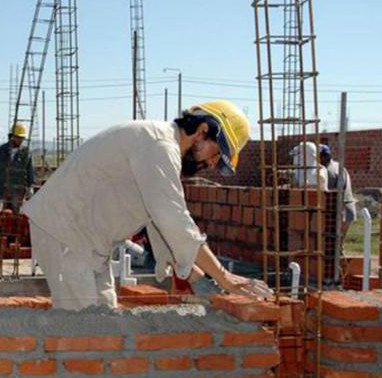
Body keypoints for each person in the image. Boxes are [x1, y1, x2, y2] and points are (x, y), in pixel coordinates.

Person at [22, 100, 273, 310]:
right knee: (83, 331)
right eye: (216, 154)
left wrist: (191, 273)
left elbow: (158, 219)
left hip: (86, 242)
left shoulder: (162, 149)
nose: (211, 165)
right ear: (203, 130)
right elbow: (173, 218)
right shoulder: (159, 145)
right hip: (66, 231)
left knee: (103, 318)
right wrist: (225, 278)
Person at [0, 123, 35, 212]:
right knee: (0, 217)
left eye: (22, 138)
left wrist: (30, 187)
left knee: (17, 219)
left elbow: (30, 172)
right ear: (12, 136)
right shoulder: (0, 151)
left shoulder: (26, 153)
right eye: (18, 138)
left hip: (18, 193)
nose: (20, 140)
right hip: (2, 191)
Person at [319, 144, 357, 233]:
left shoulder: (329, 171)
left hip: (342, 211)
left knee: (334, 241)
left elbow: (331, 194)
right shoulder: (338, 166)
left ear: (324, 157)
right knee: (338, 243)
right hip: (347, 209)